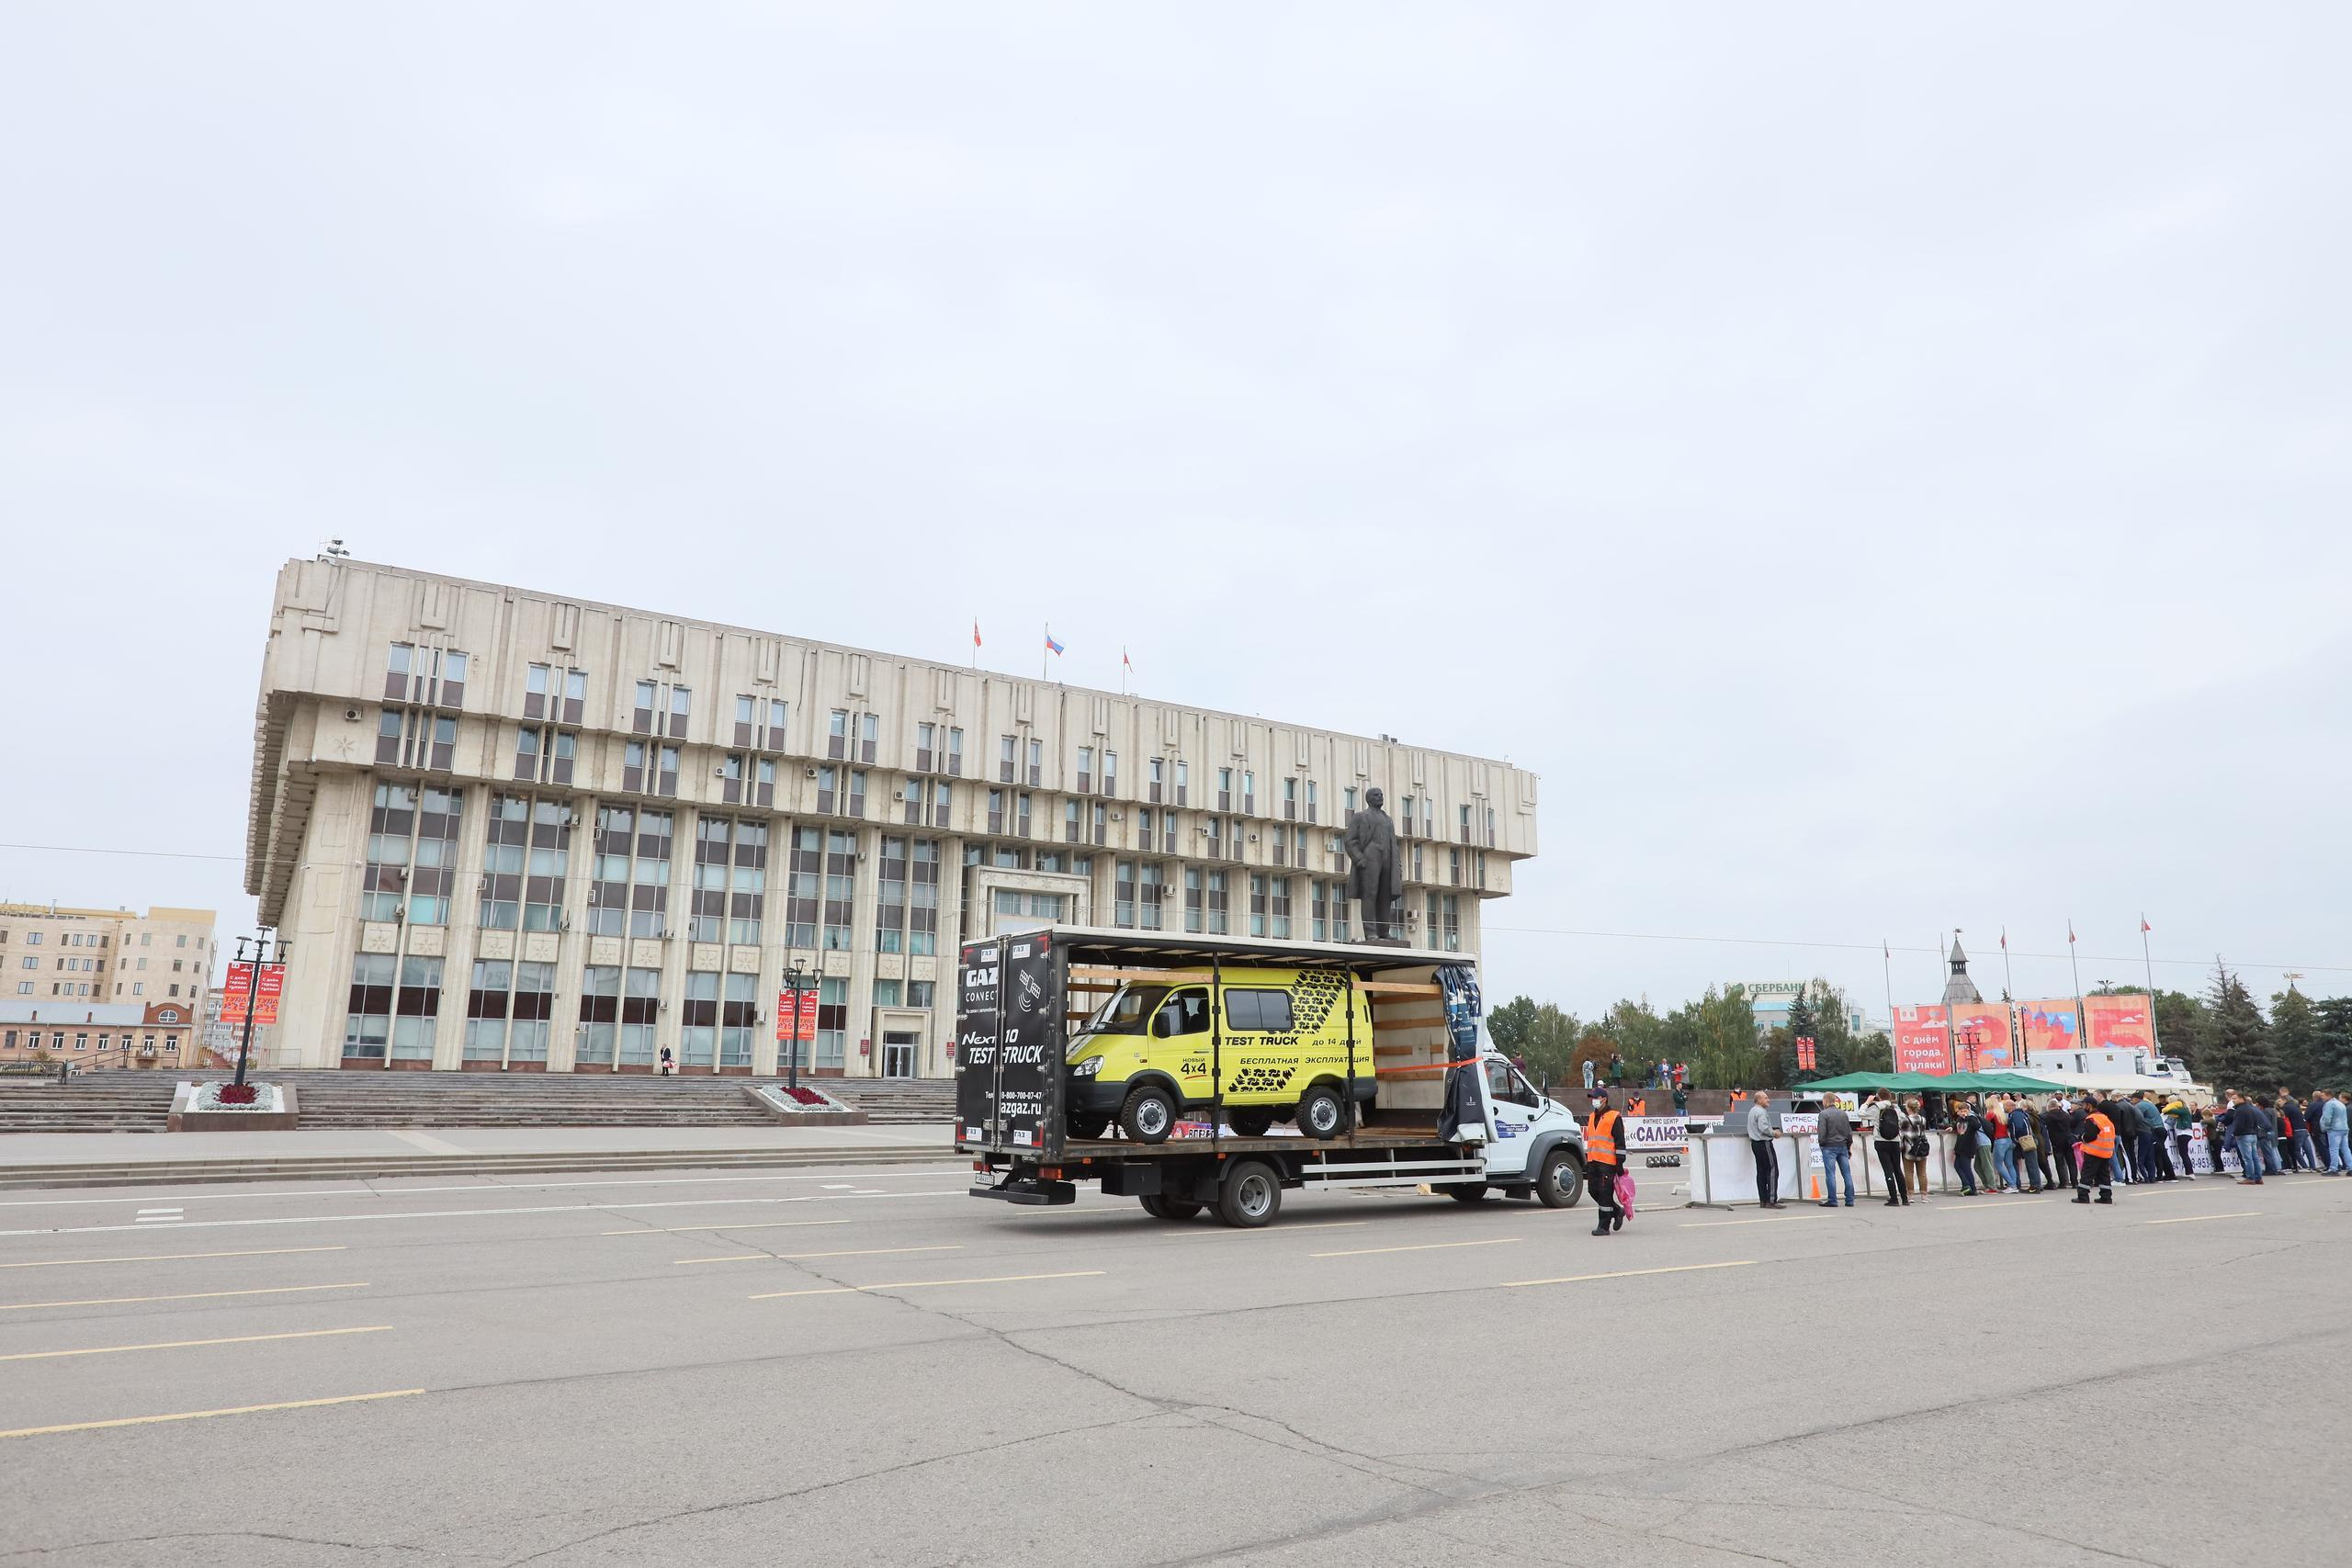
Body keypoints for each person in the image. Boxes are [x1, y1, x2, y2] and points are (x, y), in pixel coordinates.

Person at [1583, 1089, 1627, 1235]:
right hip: (1593, 1161)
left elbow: (1620, 1142)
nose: (1593, 1100)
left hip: (1608, 1163)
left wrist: (1620, 1163)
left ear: (1604, 1099)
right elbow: (1592, 1140)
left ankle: (1603, 1226)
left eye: (1596, 1097)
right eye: (1592, 1098)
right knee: (1593, 1191)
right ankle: (1617, 1211)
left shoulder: (1614, 1117)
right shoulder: (1591, 1117)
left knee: (1605, 1194)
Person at [1868, 1090, 1907, 1207]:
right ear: (1889, 1097)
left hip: (1881, 1141)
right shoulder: (1896, 1108)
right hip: (1895, 1141)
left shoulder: (1877, 1107)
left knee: (1888, 1170)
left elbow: (1861, 1114)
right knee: (1898, 1169)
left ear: (1878, 1097)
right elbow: (1904, 1121)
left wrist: (1867, 1102)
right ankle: (1904, 1199)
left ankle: (1894, 1198)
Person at [2074, 1099, 2118, 1205]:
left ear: (2089, 1105)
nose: (2083, 1107)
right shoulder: (2104, 1118)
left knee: (2087, 1174)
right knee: (2104, 1175)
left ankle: (2083, 1196)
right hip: (2106, 1151)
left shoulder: (2091, 1119)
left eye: (2084, 1105)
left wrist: (2081, 1137)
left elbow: (2091, 1135)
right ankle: (2106, 1197)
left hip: (2094, 1151)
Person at [1815, 1094, 1856, 1208]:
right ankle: (1850, 1199)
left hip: (1829, 1146)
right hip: (1842, 1145)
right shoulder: (1843, 1114)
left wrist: (1821, 1144)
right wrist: (1848, 1146)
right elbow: (1849, 1132)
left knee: (1830, 1174)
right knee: (1847, 1174)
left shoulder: (1823, 1114)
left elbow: (1822, 1132)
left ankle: (1832, 1200)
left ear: (1826, 1101)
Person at [1747, 1089, 1781, 1207]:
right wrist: (1774, 1133)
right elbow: (1763, 1128)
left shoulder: (1752, 1111)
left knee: (1761, 1172)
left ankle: (1763, 1200)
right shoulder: (1761, 1112)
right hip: (1764, 1143)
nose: (1768, 1100)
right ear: (1759, 1100)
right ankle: (1771, 1200)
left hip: (1755, 1144)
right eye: (1766, 1098)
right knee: (1772, 1170)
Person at [2226, 1092, 2267, 1185]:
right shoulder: (2252, 1108)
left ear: (2241, 1099)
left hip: (2244, 1135)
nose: (2233, 1101)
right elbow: (2256, 1122)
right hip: (2253, 1134)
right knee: (2255, 1157)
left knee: (2247, 1158)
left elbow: (2238, 1125)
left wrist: (2235, 1134)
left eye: (2235, 1098)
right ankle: (2258, 1177)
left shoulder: (2239, 1110)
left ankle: (2250, 1177)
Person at [2007, 1098, 2044, 1193]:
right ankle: (2036, 1185)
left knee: (2031, 1164)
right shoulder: (2022, 1114)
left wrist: (2016, 1139)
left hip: (2025, 1140)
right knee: (2032, 1163)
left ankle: (2035, 1186)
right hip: (2029, 1139)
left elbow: (2018, 1127)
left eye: (2005, 1106)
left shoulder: (2016, 1115)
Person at [1951, 1099, 1985, 1196]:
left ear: (1968, 1111)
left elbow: (1977, 1126)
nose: (1963, 1113)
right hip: (1959, 1146)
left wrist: (1967, 1117)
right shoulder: (1959, 1119)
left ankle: (1971, 1187)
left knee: (1966, 1167)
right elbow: (1957, 1126)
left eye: (1965, 1111)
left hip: (1968, 1146)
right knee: (1957, 1166)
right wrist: (1951, 1127)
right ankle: (1966, 1185)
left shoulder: (1971, 1118)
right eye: (1961, 1111)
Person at [2043, 1096, 2078, 1190]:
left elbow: (2042, 1118)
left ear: (2049, 1107)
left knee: (2060, 1162)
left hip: (2056, 1140)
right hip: (2068, 1139)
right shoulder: (2066, 1115)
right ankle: (2075, 1182)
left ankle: (2063, 1183)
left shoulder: (2048, 1116)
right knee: (2072, 1162)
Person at [1900, 1097, 1930, 1199]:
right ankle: (1924, 1196)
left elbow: (1902, 1133)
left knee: (1909, 1172)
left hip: (1909, 1148)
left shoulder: (1905, 1120)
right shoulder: (1923, 1119)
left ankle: (1910, 1195)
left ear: (1909, 1108)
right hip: (1921, 1147)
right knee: (1922, 1172)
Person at [2165, 1095, 2197, 1180]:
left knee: (2184, 1153)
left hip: (2183, 1133)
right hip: (2185, 1133)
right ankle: (2188, 1172)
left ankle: (2190, 1172)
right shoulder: (2185, 1109)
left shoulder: (2182, 1110)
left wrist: (2169, 1106)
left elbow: (2169, 1110)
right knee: (2184, 1153)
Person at [2318, 1090, 2349, 1175]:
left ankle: (2333, 1169)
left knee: (2333, 1149)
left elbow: (2327, 1118)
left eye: (2323, 1096)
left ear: (2329, 1096)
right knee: (2345, 1149)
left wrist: (2326, 1127)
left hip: (2334, 1129)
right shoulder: (2340, 1103)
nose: (2322, 1097)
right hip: (2344, 1128)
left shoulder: (2329, 1104)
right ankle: (2351, 1167)